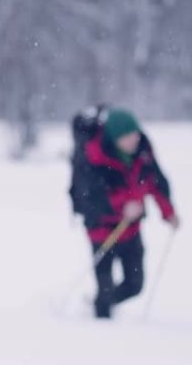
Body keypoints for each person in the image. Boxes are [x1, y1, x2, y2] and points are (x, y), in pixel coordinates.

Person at [69, 106, 179, 319]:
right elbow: (89, 197)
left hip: (131, 230)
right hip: (101, 233)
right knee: (105, 288)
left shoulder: (143, 152)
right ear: (114, 138)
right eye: (126, 137)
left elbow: (156, 182)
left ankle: (100, 306)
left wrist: (169, 213)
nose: (133, 141)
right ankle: (101, 333)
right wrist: (123, 205)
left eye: (135, 135)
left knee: (134, 285)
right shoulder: (93, 156)